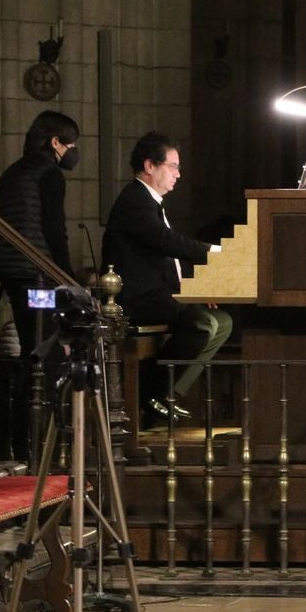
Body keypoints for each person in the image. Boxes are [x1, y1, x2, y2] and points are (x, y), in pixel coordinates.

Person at [102, 131, 232, 421]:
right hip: (138, 298)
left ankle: (165, 393)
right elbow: (168, 243)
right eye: (172, 166)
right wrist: (220, 252)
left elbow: (168, 258)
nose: (178, 174)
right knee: (201, 323)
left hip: (158, 293)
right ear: (150, 166)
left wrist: (195, 288)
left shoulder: (151, 202)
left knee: (223, 322)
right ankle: (152, 391)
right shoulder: (135, 200)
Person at [0, 110, 81, 356]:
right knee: (47, 347)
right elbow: (54, 228)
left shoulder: (12, 173)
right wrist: (67, 276)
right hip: (38, 277)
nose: (73, 149)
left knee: (30, 340)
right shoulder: (49, 173)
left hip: (11, 272)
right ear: (55, 142)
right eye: (71, 143)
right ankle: (42, 394)